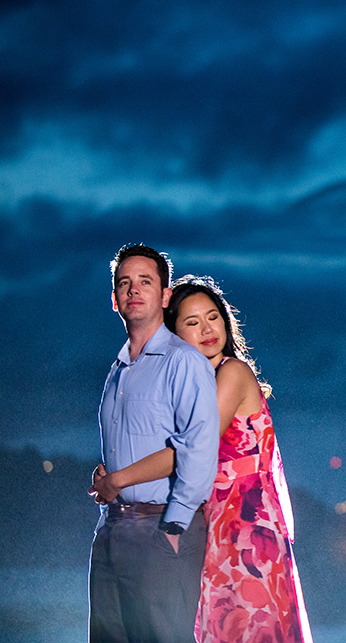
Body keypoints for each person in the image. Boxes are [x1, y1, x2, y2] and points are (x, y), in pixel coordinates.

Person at [91, 275, 312, 643]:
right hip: (213, 525)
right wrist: (114, 469)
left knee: (251, 627)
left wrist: (118, 479)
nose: (207, 329)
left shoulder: (233, 373)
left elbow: (192, 449)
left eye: (213, 317)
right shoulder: (194, 384)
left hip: (246, 525)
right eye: (192, 323)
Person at [88, 245, 220, 643]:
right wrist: (105, 475)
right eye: (124, 283)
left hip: (160, 526)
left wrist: (174, 526)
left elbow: (197, 447)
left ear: (164, 296)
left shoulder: (184, 362)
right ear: (114, 300)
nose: (134, 289)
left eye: (146, 281)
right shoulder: (117, 371)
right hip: (112, 527)